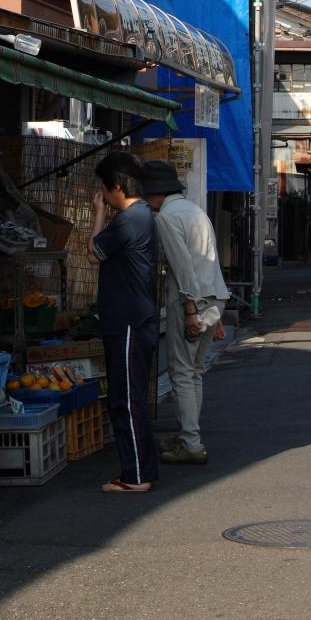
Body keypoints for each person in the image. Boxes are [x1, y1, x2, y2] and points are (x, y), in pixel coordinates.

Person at [142, 159, 230, 467]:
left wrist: (191, 309)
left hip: (192, 300)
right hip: (215, 297)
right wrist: (215, 317)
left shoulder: (166, 217)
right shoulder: (195, 210)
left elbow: (182, 267)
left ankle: (191, 442)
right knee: (194, 371)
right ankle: (188, 437)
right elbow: (207, 261)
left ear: (155, 192)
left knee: (181, 372)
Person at [87, 151, 159, 493]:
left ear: (116, 186)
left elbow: (93, 253)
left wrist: (99, 213)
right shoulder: (142, 215)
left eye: (104, 189)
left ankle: (136, 476)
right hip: (133, 317)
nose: (102, 194)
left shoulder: (129, 219)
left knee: (127, 399)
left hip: (129, 320)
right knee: (127, 397)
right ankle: (138, 471)